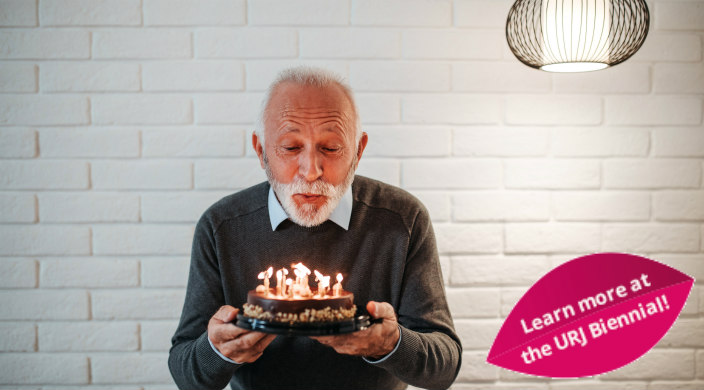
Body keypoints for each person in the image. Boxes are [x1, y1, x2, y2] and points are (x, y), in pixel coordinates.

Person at [168, 67, 462, 390]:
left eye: (331, 148)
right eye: (291, 148)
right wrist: (217, 351)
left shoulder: (403, 220)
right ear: (261, 151)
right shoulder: (220, 227)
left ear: (358, 151)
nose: (311, 171)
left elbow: (444, 367)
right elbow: (185, 373)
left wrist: (391, 345)